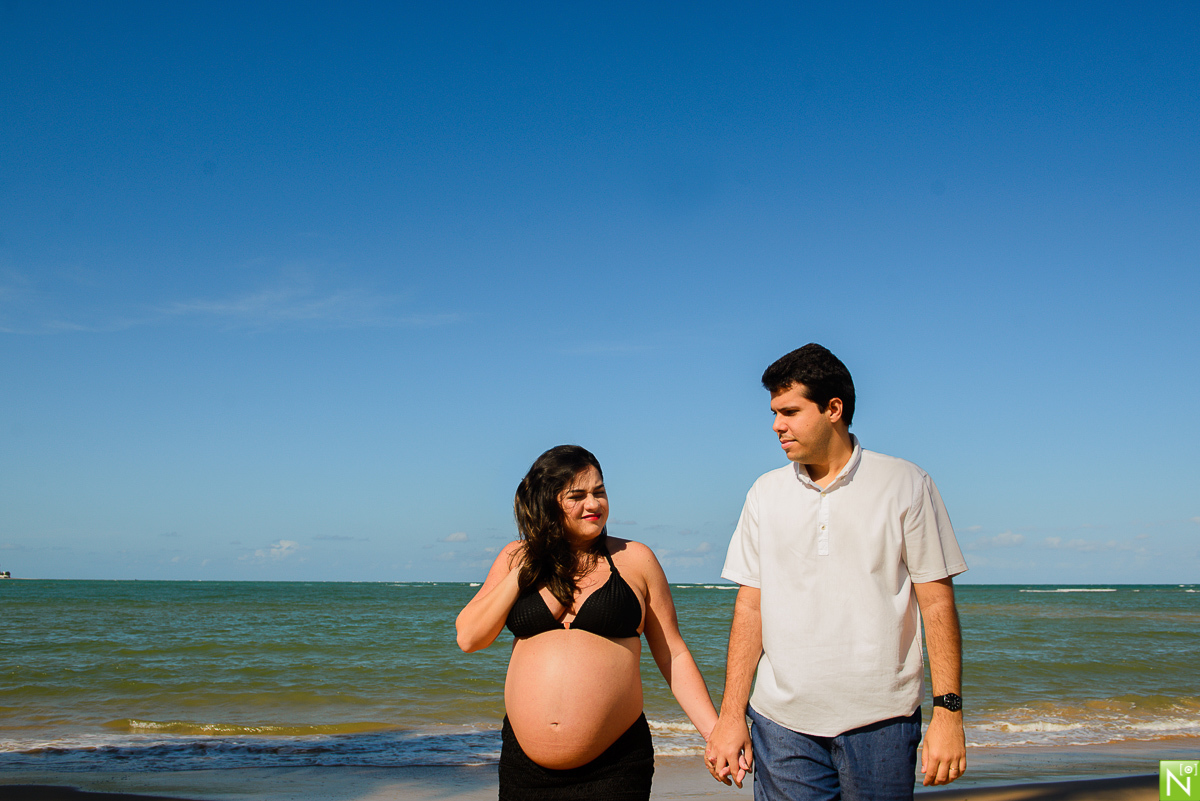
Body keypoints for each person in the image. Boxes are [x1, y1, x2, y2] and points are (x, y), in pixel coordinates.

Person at [705, 344, 968, 800]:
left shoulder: (906, 483)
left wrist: (948, 714)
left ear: (833, 409)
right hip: (781, 723)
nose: (776, 425)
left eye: (789, 411)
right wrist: (731, 716)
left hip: (882, 721)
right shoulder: (765, 493)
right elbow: (750, 606)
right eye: (773, 412)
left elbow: (936, 601)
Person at [456, 444, 719, 801]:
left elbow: (672, 652)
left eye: (599, 491)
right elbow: (470, 637)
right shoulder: (515, 557)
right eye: (577, 496)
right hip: (524, 770)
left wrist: (715, 733)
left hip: (616, 765)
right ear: (548, 501)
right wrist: (523, 571)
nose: (594, 504)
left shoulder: (635, 559)